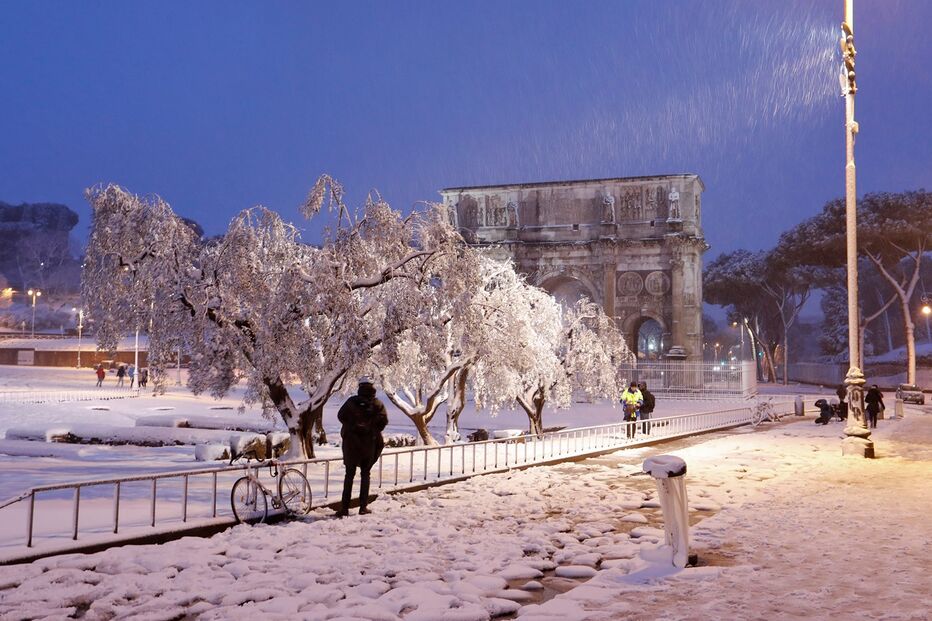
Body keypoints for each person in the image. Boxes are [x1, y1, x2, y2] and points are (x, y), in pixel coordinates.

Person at [337, 377, 388, 517]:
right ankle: (363, 507)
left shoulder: (351, 402)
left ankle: (344, 508)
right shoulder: (377, 404)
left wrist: (352, 425)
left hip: (351, 446)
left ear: (359, 387)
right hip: (368, 445)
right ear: (372, 388)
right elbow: (384, 421)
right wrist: (371, 428)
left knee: (349, 475)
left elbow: (340, 416)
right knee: (365, 475)